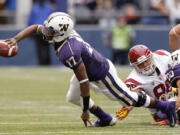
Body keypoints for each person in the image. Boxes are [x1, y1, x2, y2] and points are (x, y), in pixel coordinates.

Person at [5, 12, 177, 127]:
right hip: (85, 69)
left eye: (50, 31)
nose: (46, 33)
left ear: (61, 32)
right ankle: (105, 118)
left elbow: (84, 81)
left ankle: (167, 107)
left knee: (129, 100)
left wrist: (86, 111)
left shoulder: (68, 50)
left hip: (101, 73)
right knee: (71, 97)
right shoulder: (61, 36)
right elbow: (35, 28)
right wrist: (15, 39)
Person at [116, 44, 178, 125]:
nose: (145, 65)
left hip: (176, 96)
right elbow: (136, 96)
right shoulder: (133, 80)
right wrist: (128, 107)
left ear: (151, 57)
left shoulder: (162, 56)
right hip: (160, 111)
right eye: (140, 64)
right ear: (135, 66)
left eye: (146, 61)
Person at [27, 0, 54, 65]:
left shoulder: (49, 8)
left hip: (47, 31)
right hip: (37, 32)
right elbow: (30, 20)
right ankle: (41, 63)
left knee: (47, 48)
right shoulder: (35, 9)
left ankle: (47, 63)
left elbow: (52, 19)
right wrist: (30, 31)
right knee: (39, 48)